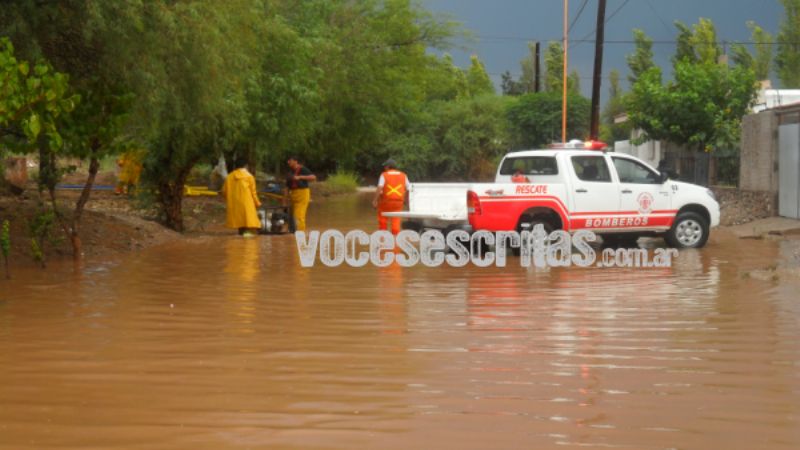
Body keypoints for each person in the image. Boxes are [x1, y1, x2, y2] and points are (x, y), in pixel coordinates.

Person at [222, 157, 262, 237]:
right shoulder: (249, 177)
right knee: (250, 224)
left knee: (240, 224)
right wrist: (257, 203)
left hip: (235, 205)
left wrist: (231, 200)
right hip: (247, 205)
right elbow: (253, 193)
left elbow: (224, 192)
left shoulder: (229, 177)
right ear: (246, 166)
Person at [372, 158, 410, 235]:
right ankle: (395, 239)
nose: (384, 168)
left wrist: (374, 201)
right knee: (396, 220)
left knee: (382, 219)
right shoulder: (403, 175)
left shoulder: (384, 175)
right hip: (398, 203)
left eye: (385, 166)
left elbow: (379, 188)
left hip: (385, 202)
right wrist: (406, 200)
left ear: (388, 166)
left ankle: (383, 238)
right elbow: (409, 189)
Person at [286, 156, 316, 232]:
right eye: (288, 161)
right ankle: (292, 233)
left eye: (290, 160)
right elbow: (286, 187)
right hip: (292, 194)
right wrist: (285, 198)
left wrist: (300, 177)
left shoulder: (302, 169)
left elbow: (313, 177)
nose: (288, 162)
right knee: (291, 216)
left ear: (296, 161)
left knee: (299, 215)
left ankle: (300, 233)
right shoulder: (290, 172)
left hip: (302, 193)